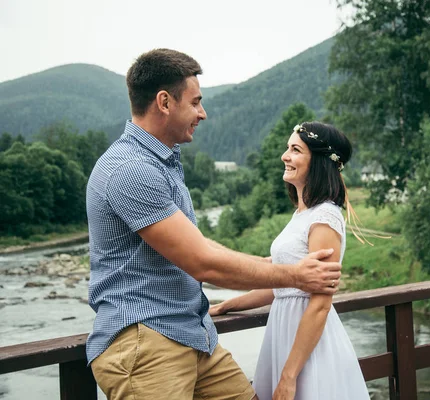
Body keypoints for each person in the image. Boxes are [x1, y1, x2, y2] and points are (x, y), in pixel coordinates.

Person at [85, 49, 343, 400]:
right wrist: (295, 275)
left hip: (194, 336)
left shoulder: (162, 164)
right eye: (195, 102)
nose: (202, 113)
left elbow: (200, 245)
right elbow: (201, 261)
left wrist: (271, 265)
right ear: (164, 102)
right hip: (146, 344)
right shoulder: (131, 169)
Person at [210, 122, 370, 400]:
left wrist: (289, 375)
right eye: (288, 148)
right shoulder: (302, 215)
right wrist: (224, 306)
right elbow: (281, 286)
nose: (285, 155)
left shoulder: (324, 218)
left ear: (319, 162)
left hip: (308, 348)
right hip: (283, 335)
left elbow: (320, 304)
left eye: (295, 149)